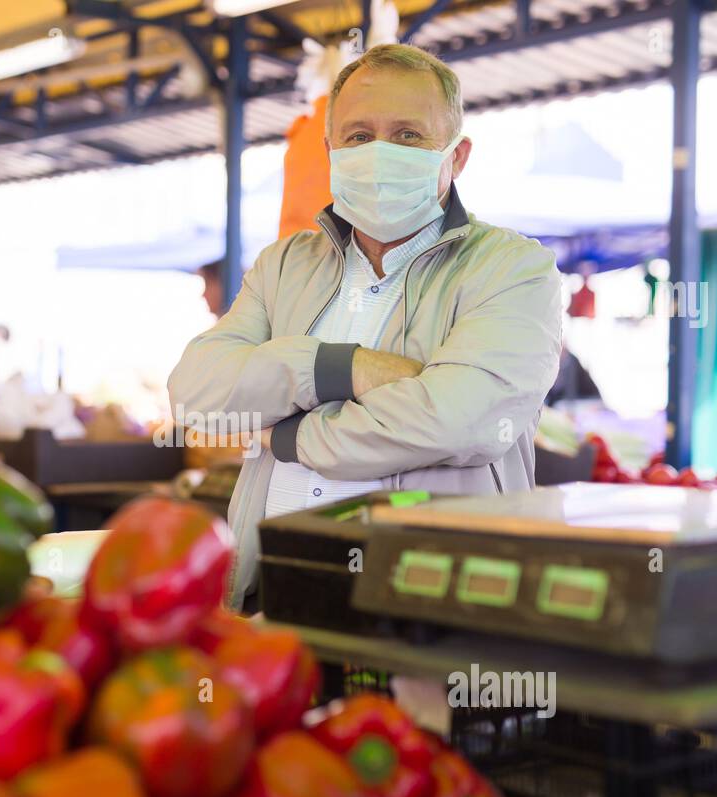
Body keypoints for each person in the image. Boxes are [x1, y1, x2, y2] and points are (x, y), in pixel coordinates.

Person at [168, 43, 563, 610]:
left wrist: (284, 435)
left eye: (408, 135)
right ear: (330, 150)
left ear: (458, 155)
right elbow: (196, 395)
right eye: (358, 136)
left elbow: (456, 420)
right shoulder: (284, 265)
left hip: (428, 612)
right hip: (273, 602)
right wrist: (342, 367)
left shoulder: (513, 269)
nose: (381, 153)